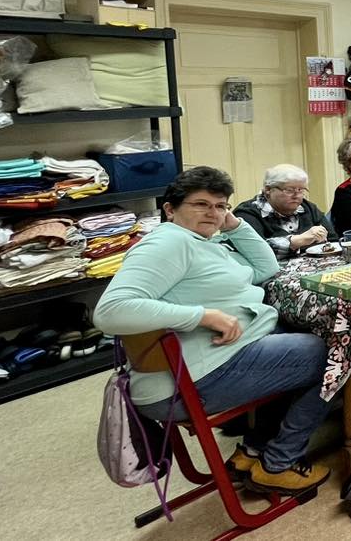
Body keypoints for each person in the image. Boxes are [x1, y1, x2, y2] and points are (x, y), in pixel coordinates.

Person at [92, 166, 332, 494]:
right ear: (170, 209)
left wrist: (233, 224)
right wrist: (202, 316)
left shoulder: (203, 241)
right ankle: (278, 463)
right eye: (201, 204)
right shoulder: (167, 242)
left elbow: (266, 267)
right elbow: (110, 311)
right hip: (185, 383)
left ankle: (253, 450)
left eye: (221, 206)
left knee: (290, 337)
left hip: (211, 361)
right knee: (332, 355)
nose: (213, 213)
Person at [233, 164, 336, 260]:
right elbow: (254, 253)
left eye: (301, 190)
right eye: (289, 190)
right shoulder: (246, 214)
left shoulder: (308, 208)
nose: (297, 196)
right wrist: (295, 242)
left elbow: (333, 241)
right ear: (268, 189)